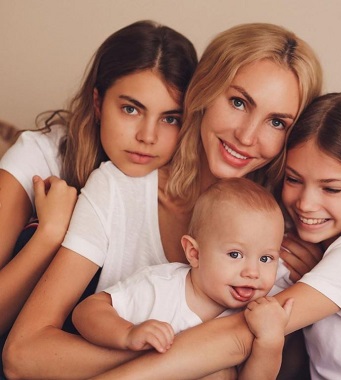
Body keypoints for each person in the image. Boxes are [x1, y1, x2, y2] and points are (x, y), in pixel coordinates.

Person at [4, 22, 323, 379]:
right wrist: (188, 360)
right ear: (202, 92)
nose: (247, 136)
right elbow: (22, 355)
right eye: (238, 102)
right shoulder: (118, 190)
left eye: (277, 122)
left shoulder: (279, 240)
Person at [98, 92, 341, 380]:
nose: (306, 203)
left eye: (331, 188)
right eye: (293, 179)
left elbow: (236, 336)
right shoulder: (292, 246)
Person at [0, 20, 197, 338]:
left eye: (170, 118)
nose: (147, 136)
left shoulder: (189, 193)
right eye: (131, 109)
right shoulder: (39, 157)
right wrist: (49, 235)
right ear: (97, 103)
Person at [72, 178, 293, 380]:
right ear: (194, 253)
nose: (252, 272)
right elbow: (87, 311)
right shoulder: (159, 286)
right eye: (235, 255)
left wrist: (271, 341)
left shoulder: (256, 315)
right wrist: (127, 334)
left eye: (266, 258)